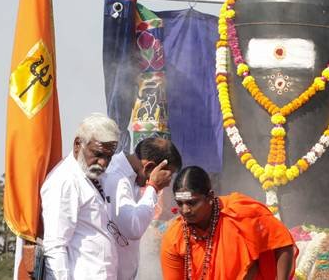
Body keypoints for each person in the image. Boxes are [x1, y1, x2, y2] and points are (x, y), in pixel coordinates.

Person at [160, 166, 297, 279]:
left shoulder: (240, 212)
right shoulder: (174, 238)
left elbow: (282, 243)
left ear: (210, 197)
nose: (185, 210)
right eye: (180, 203)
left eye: (192, 202)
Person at [40, 113, 121, 279]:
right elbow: (55, 246)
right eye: (98, 154)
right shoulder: (65, 180)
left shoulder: (93, 176)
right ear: (78, 144)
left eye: (108, 157)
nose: (103, 163)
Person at [101, 137, 181, 279]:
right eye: (166, 176)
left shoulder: (130, 177)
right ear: (149, 167)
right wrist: (154, 187)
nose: (167, 184)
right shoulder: (117, 179)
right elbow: (133, 227)